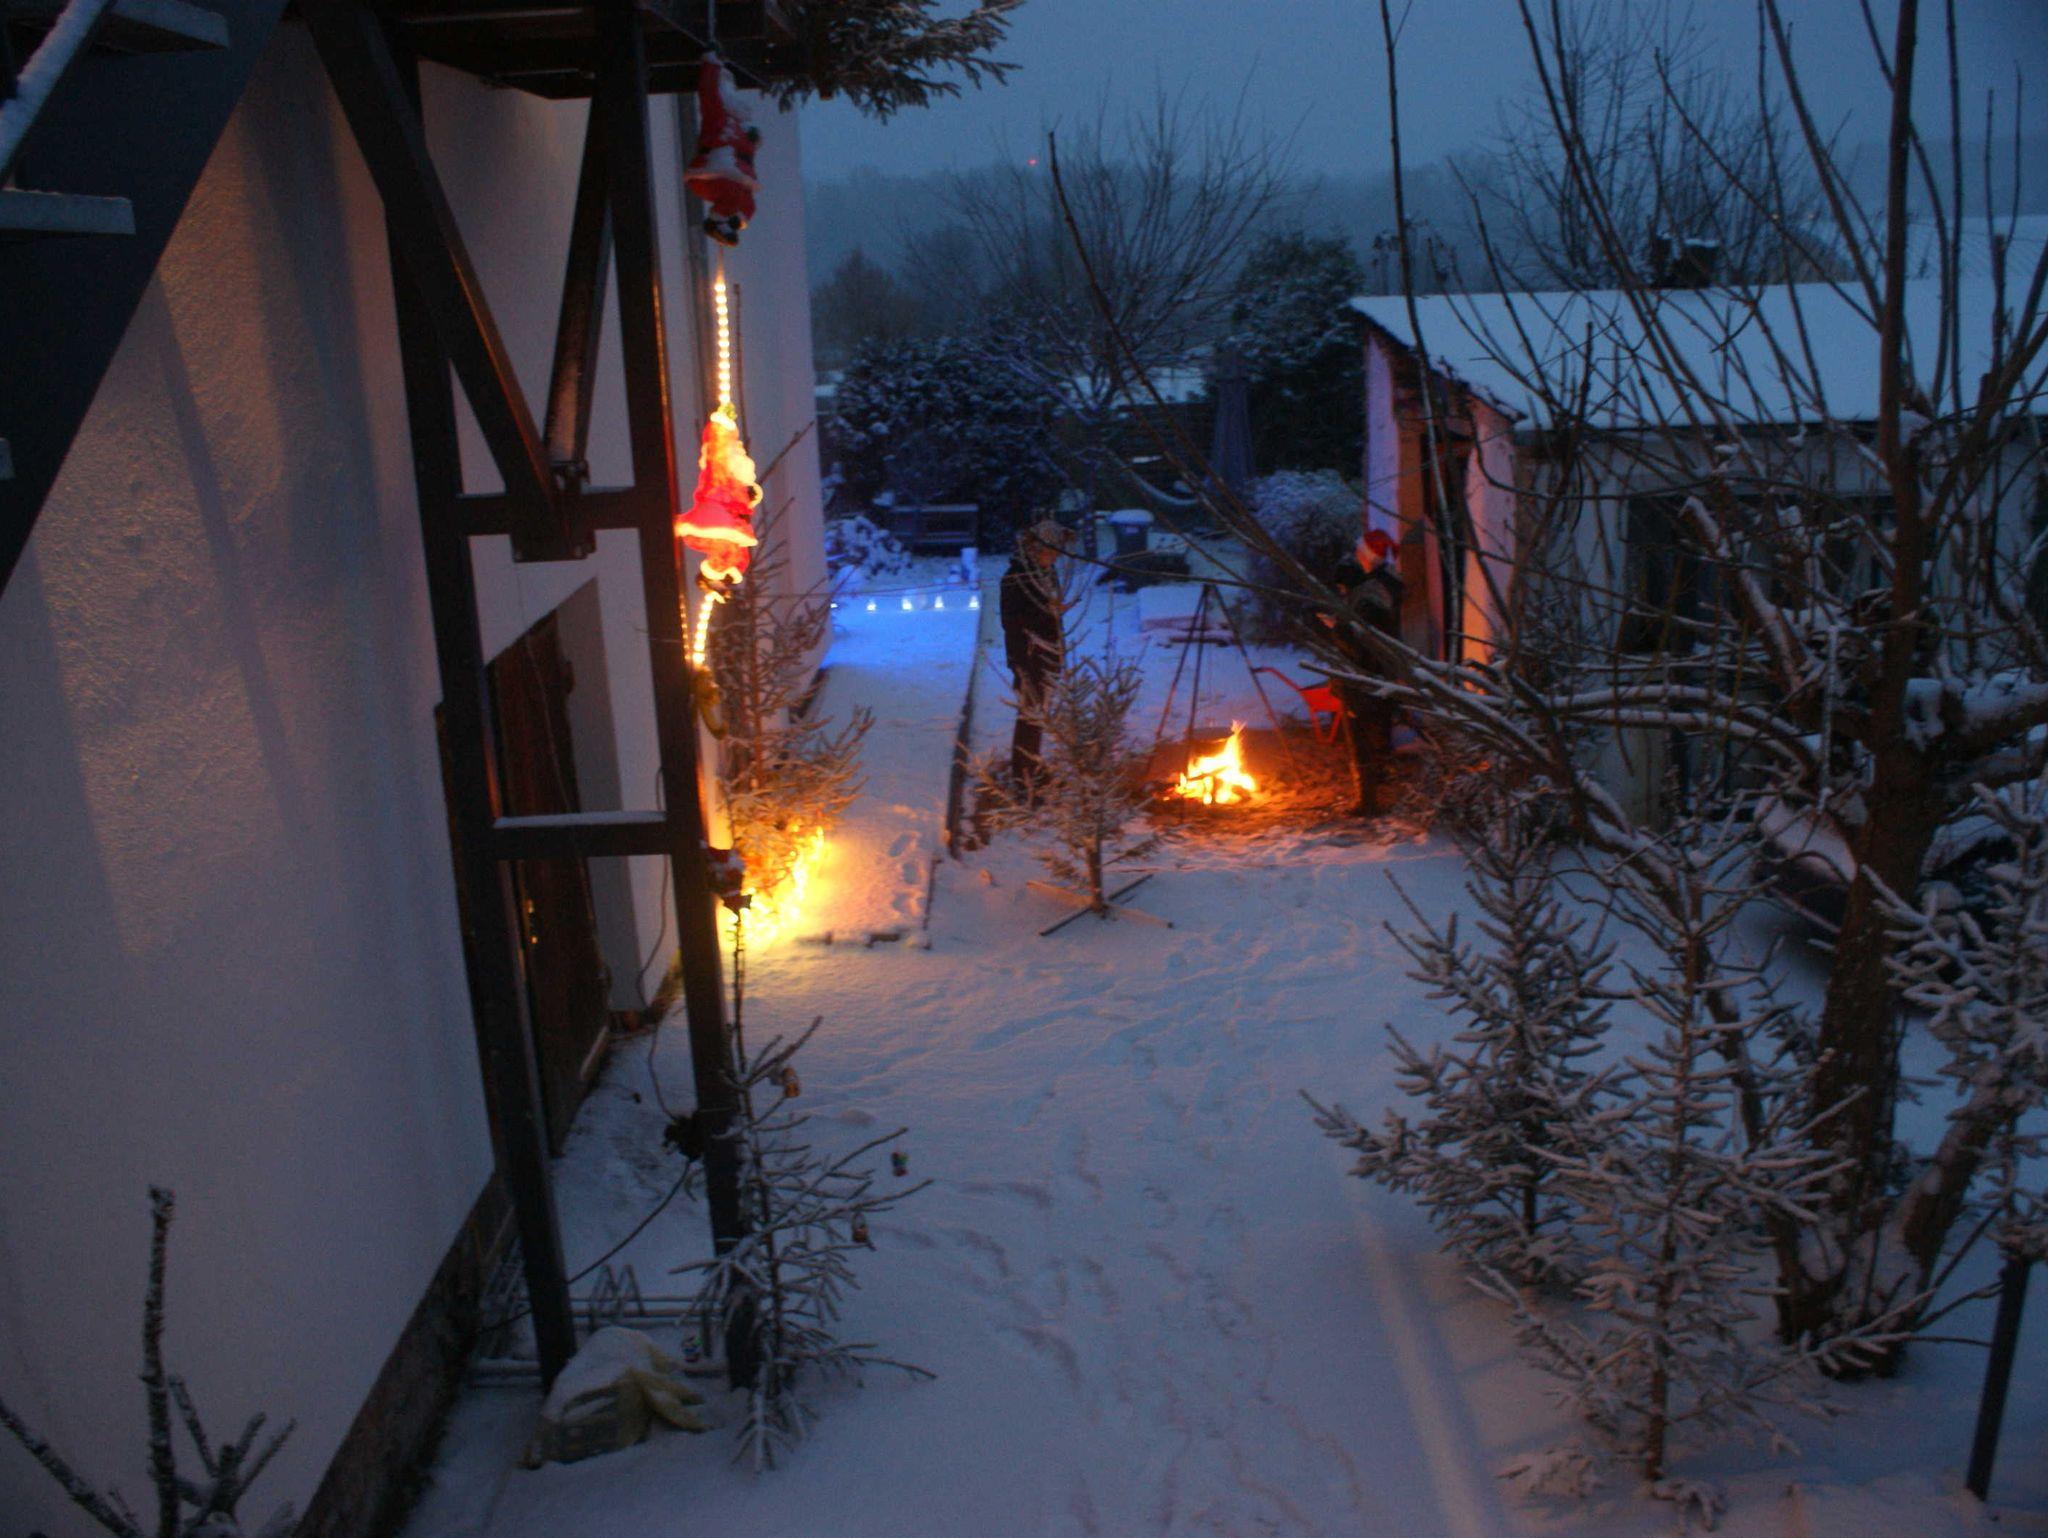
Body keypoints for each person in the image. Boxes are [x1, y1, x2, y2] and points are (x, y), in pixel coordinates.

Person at [1329, 527, 1404, 817]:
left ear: (1370, 556)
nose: (1356, 555)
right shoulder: (1383, 586)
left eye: (1361, 551)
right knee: (1378, 731)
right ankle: (1380, 790)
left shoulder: (1371, 594)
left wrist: (1337, 629)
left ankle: (1368, 801)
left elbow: (1362, 638)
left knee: (1362, 735)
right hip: (1379, 671)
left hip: (1363, 673)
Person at [1000, 519, 1071, 800]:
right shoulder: (1015, 577)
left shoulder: (1047, 573)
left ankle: (1032, 768)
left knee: (1038, 716)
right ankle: (1023, 780)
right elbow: (1012, 621)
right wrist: (1048, 611)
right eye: (1048, 552)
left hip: (1047, 654)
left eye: (1056, 553)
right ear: (1034, 549)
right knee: (1028, 717)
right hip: (1027, 656)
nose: (1053, 558)